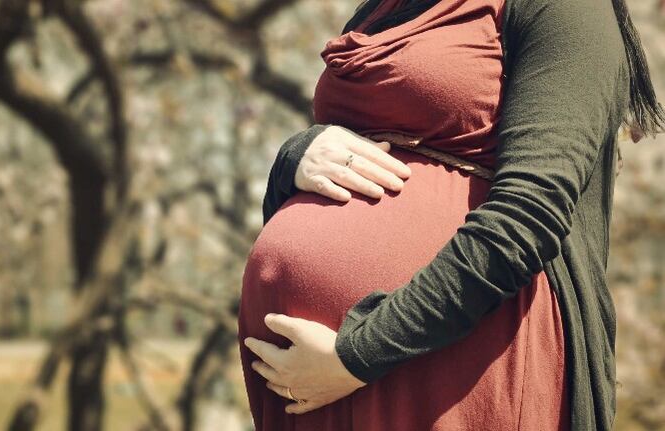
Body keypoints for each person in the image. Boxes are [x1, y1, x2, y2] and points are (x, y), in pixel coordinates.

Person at [237, 0, 665, 430]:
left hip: (445, 356)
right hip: (314, 377)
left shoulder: (565, 9)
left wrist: (358, 356)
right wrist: (295, 158)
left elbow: (531, 213)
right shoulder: (385, 9)